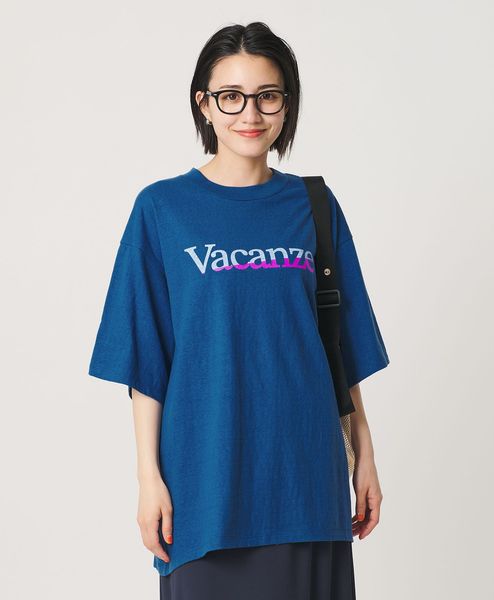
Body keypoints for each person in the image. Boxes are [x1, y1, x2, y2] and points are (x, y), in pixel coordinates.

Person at [88, 21, 390, 600]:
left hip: (305, 478)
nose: (250, 113)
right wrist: (148, 478)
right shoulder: (162, 209)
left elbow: (339, 346)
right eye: (231, 96)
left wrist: (365, 454)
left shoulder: (315, 205)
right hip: (204, 483)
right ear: (203, 104)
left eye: (267, 95)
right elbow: (146, 360)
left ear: (286, 104)